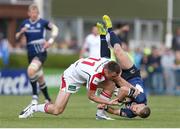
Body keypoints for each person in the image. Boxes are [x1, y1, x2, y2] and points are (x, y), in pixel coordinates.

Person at [19, 57, 124, 118]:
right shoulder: (95, 76)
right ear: (106, 71)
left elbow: (116, 77)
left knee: (111, 83)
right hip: (71, 78)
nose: (116, 78)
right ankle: (33, 108)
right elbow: (91, 97)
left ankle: (100, 115)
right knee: (57, 110)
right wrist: (108, 102)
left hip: (81, 73)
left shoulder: (109, 63)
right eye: (114, 75)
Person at [95, 15, 150, 119]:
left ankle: (102, 35)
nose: (134, 109)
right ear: (143, 105)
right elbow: (125, 89)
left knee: (106, 63)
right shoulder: (141, 99)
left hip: (119, 83)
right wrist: (118, 101)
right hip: (132, 75)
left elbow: (116, 112)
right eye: (137, 108)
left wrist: (106, 107)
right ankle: (110, 28)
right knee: (118, 51)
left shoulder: (131, 114)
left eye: (136, 112)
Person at [16, 4, 59, 111]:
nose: (34, 14)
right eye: (32, 12)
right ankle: (48, 99)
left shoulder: (42, 22)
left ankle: (34, 96)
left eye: (36, 12)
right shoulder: (25, 23)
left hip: (41, 52)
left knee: (31, 70)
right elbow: (17, 36)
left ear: (38, 13)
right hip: (30, 53)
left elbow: (55, 29)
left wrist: (50, 41)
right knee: (39, 77)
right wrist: (21, 32)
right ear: (29, 13)